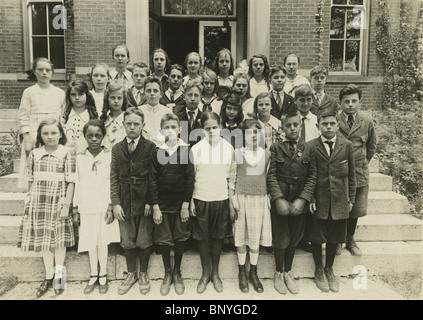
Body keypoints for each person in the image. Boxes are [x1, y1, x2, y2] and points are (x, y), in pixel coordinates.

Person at [17, 118, 75, 297]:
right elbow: (31, 180)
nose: (50, 137)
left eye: (54, 133)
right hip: (38, 202)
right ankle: (48, 276)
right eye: (46, 133)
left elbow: (71, 181)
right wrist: (30, 200)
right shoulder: (34, 153)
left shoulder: (67, 153)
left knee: (58, 240)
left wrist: (66, 205)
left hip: (58, 201)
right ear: (40, 135)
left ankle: (59, 276)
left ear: (60, 134)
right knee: (43, 240)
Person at [267, 110, 317, 295]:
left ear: (301, 125)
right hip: (281, 200)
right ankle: (278, 273)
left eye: (295, 124)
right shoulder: (275, 148)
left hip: (298, 201)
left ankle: (288, 272)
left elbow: (312, 177)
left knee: (294, 238)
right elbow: (271, 175)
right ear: (282, 128)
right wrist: (278, 199)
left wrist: (303, 200)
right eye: (288, 125)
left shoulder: (308, 148)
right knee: (281, 238)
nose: (292, 128)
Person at [308, 107, 356, 293]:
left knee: (335, 236)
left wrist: (350, 198)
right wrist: (310, 197)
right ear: (318, 125)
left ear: (337, 125)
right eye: (324, 124)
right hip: (319, 198)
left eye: (332, 124)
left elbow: (351, 175)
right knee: (317, 234)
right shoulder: (311, 146)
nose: (328, 127)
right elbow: (308, 175)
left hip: (339, 198)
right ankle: (318, 270)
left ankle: (329, 269)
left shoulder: (347, 145)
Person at [110, 107, 156, 295]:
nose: (132, 127)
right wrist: (115, 202)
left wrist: (149, 202)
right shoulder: (117, 148)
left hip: (143, 200)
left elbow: (153, 177)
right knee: (127, 239)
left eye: (136, 124)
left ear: (143, 126)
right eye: (128, 123)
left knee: (144, 238)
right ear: (123, 125)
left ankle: (143, 272)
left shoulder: (150, 147)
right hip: (124, 201)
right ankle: (131, 273)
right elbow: (113, 176)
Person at [190, 111, 236, 294]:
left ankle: (216, 274)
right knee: (203, 238)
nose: (211, 131)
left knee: (217, 237)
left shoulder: (228, 148)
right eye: (207, 128)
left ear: (221, 127)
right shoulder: (196, 149)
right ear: (202, 129)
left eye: (215, 127)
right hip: (201, 197)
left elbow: (232, 176)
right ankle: (205, 274)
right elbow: (191, 177)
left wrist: (231, 202)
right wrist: (192, 200)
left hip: (221, 198)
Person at [149, 113, 195, 296]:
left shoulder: (185, 150)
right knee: (164, 239)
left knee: (180, 237)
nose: (170, 131)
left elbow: (189, 179)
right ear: (161, 130)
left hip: (180, 204)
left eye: (173, 127)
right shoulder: (157, 150)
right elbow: (152, 179)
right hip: (162, 203)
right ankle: (167, 271)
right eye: (166, 127)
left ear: (180, 130)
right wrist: (155, 206)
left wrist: (185, 204)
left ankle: (177, 271)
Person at [73, 119, 120, 295]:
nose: (94, 139)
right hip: (86, 205)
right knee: (90, 240)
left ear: (103, 137)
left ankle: (103, 274)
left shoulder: (109, 155)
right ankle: (93, 273)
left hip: (103, 204)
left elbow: (112, 182)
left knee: (102, 240)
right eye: (90, 136)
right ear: (85, 137)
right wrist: (76, 208)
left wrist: (110, 205)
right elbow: (77, 182)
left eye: (98, 136)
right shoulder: (79, 158)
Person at [229, 119, 272, 293]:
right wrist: (232, 204)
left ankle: (253, 272)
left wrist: (268, 198)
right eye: (248, 133)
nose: (253, 136)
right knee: (241, 236)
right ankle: (241, 271)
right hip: (241, 199)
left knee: (254, 237)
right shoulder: (238, 153)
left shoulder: (267, 153)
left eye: (256, 132)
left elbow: (269, 177)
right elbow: (232, 179)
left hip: (259, 200)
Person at [337, 84, 376, 256]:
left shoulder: (366, 121)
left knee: (356, 208)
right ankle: (337, 239)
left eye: (354, 101)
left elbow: (371, 146)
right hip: (339, 171)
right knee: (340, 205)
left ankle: (350, 239)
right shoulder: (334, 121)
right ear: (340, 103)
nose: (350, 104)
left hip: (359, 171)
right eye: (347, 101)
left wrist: (360, 162)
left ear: (359, 102)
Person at [17, 58, 65, 187]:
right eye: (40, 69)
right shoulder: (29, 92)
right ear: (34, 72)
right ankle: (31, 194)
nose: (44, 73)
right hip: (34, 133)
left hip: (54, 133)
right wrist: (27, 139)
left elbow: (63, 117)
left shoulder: (59, 93)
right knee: (34, 165)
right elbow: (23, 116)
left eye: (47, 70)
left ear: (52, 72)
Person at [62, 80, 98, 154]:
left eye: (81, 94)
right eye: (73, 94)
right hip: (65, 154)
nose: (77, 98)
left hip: (85, 155)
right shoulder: (63, 115)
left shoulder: (93, 115)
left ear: (86, 95)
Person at [138, 76, 172, 146]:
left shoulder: (167, 112)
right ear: (144, 93)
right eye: (148, 91)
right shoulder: (139, 111)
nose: (152, 93)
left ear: (161, 94)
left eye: (155, 91)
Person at [173, 80, 204, 147]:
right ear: (184, 97)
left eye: (196, 95)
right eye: (190, 95)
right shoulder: (177, 117)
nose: (193, 98)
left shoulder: (204, 118)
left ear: (201, 98)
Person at [100, 81, 128, 151]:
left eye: (119, 98)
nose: (116, 101)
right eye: (112, 98)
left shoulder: (128, 119)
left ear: (124, 100)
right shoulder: (103, 121)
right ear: (107, 99)